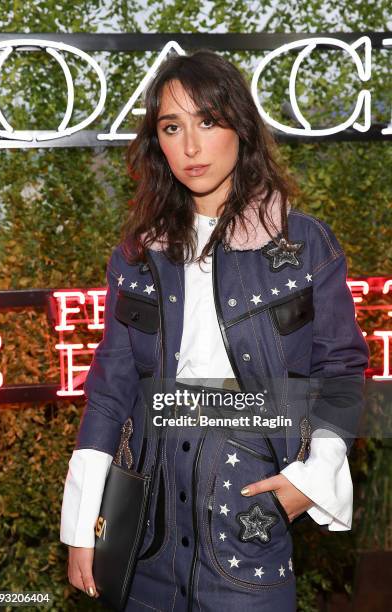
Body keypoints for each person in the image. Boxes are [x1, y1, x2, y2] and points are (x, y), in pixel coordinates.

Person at [60, 49, 369, 611]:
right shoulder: (136, 256)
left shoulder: (303, 247)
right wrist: (84, 523)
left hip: (249, 506)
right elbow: (111, 388)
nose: (192, 146)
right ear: (158, 142)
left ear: (241, 127)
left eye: (208, 121)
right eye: (172, 128)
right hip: (146, 513)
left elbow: (343, 370)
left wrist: (312, 478)